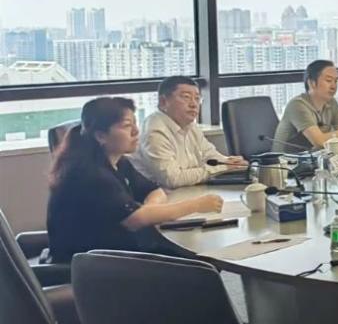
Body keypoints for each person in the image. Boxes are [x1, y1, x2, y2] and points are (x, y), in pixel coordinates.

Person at [46, 97, 223, 263]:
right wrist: (196, 205)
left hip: (122, 251)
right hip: (96, 263)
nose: (136, 131)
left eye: (135, 123)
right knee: (201, 264)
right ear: (101, 136)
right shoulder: (90, 174)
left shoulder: (118, 161)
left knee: (202, 258)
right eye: (126, 126)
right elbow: (134, 220)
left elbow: (154, 190)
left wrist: (150, 210)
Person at [134, 76, 247, 187]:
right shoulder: (155, 131)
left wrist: (230, 162)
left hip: (186, 191)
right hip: (158, 195)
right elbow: (173, 179)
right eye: (186, 97)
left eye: (197, 98)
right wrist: (223, 167)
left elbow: (211, 156)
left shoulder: (190, 126)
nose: (193, 104)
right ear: (163, 102)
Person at [274, 60, 338, 152]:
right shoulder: (297, 105)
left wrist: (332, 139)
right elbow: (319, 142)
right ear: (311, 83)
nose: (333, 86)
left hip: (316, 156)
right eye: (328, 80)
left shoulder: (331, 102)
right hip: (287, 159)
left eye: (336, 81)